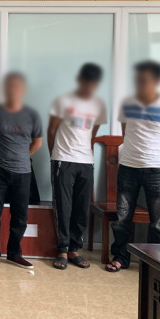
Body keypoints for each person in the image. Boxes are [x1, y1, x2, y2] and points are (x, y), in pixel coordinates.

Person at [106, 61, 160, 272]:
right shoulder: (127, 104)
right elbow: (126, 133)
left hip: (156, 171)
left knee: (158, 221)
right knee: (122, 218)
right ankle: (120, 257)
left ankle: (155, 264)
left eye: (144, 80)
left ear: (156, 81)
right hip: (128, 168)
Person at [0, 73, 43, 270]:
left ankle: (15, 253)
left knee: (20, 216)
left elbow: (37, 143)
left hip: (22, 173)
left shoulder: (32, 115)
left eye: (17, 87)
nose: (13, 90)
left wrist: (21, 157)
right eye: (10, 86)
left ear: (23, 90)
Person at [48, 63, 107, 270]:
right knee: (63, 207)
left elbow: (93, 133)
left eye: (94, 83)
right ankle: (62, 250)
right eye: (87, 82)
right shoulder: (63, 100)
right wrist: (54, 156)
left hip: (86, 161)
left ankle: (74, 249)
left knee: (81, 208)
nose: (90, 86)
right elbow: (52, 130)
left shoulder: (99, 105)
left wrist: (85, 152)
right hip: (63, 159)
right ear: (79, 80)